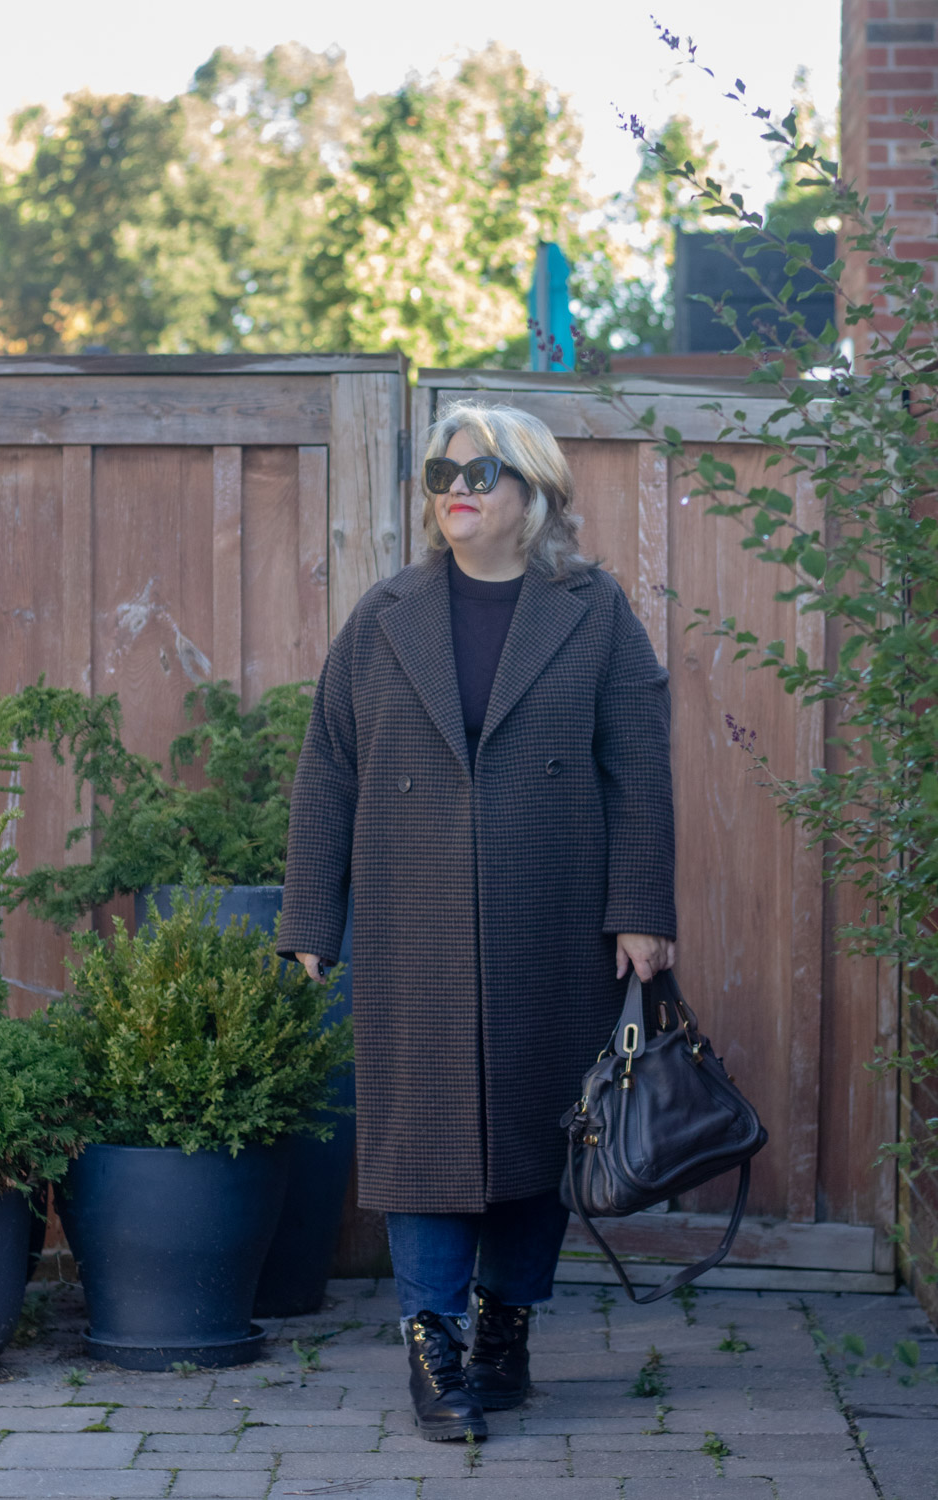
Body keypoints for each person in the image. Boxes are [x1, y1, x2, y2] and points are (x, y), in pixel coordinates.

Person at [277, 400, 676, 1441]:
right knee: (421, 1131)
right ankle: (432, 1344)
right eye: (440, 474)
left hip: (550, 914)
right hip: (412, 918)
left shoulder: (594, 612)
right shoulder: (386, 614)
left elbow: (637, 768)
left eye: (479, 471)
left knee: (545, 1125)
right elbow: (327, 769)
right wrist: (311, 918)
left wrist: (639, 909)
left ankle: (506, 1328)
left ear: (533, 493)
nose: (455, 488)